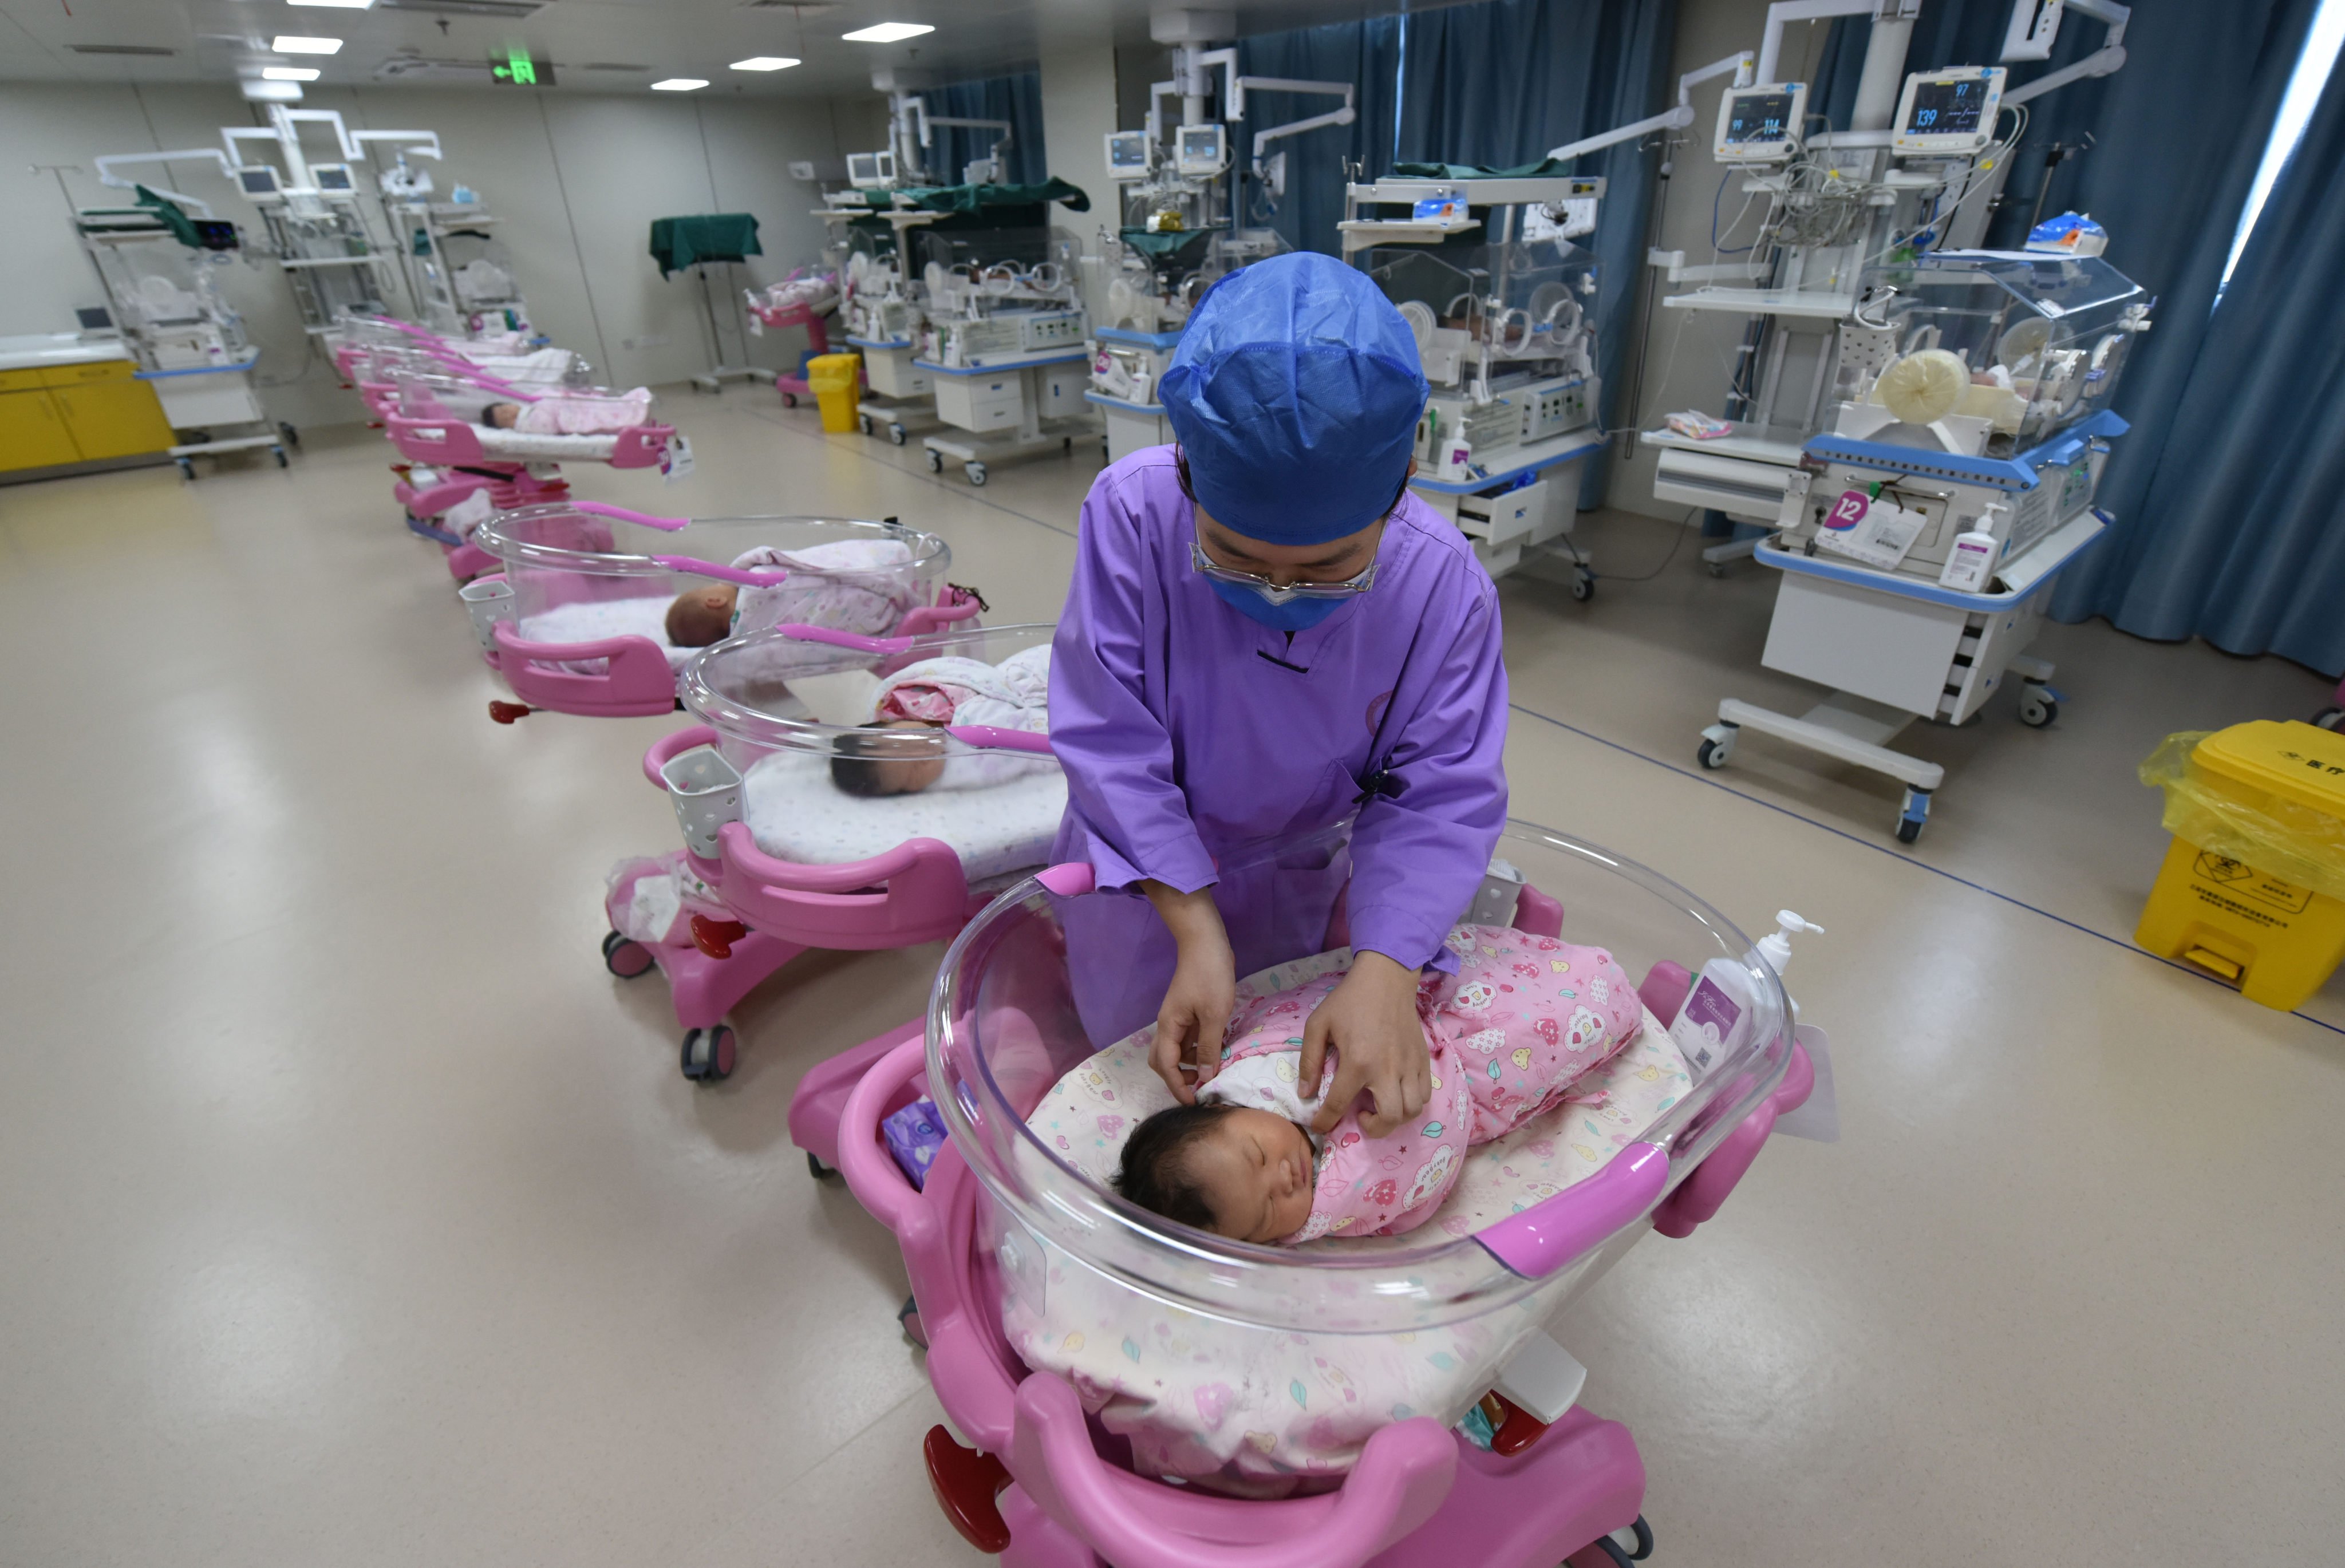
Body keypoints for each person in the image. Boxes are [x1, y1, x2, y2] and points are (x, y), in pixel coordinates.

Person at [1049, 251, 1509, 1145]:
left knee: (1286, 1110)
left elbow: (1439, 795)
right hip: (1144, 882)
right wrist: (1193, 923)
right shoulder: (1132, 518)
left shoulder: (1443, 591)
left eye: (1330, 566)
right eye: (1235, 556)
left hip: (1297, 871)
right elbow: (1108, 736)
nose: (1279, 592)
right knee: (1138, 1104)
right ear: (1187, 470)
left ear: (1399, 485)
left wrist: (1385, 970)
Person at [1113, 929, 1644, 1243]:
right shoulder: (1340, 1189)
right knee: (1562, 1015)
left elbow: (1279, 1016)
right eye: (1268, 1212)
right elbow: (1409, 1155)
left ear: (1221, 1108)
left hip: (1422, 995)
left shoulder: (1253, 1066)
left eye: (1257, 1156)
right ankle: (1610, 991)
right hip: (1469, 1064)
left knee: (1517, 971)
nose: (1284, 1178)